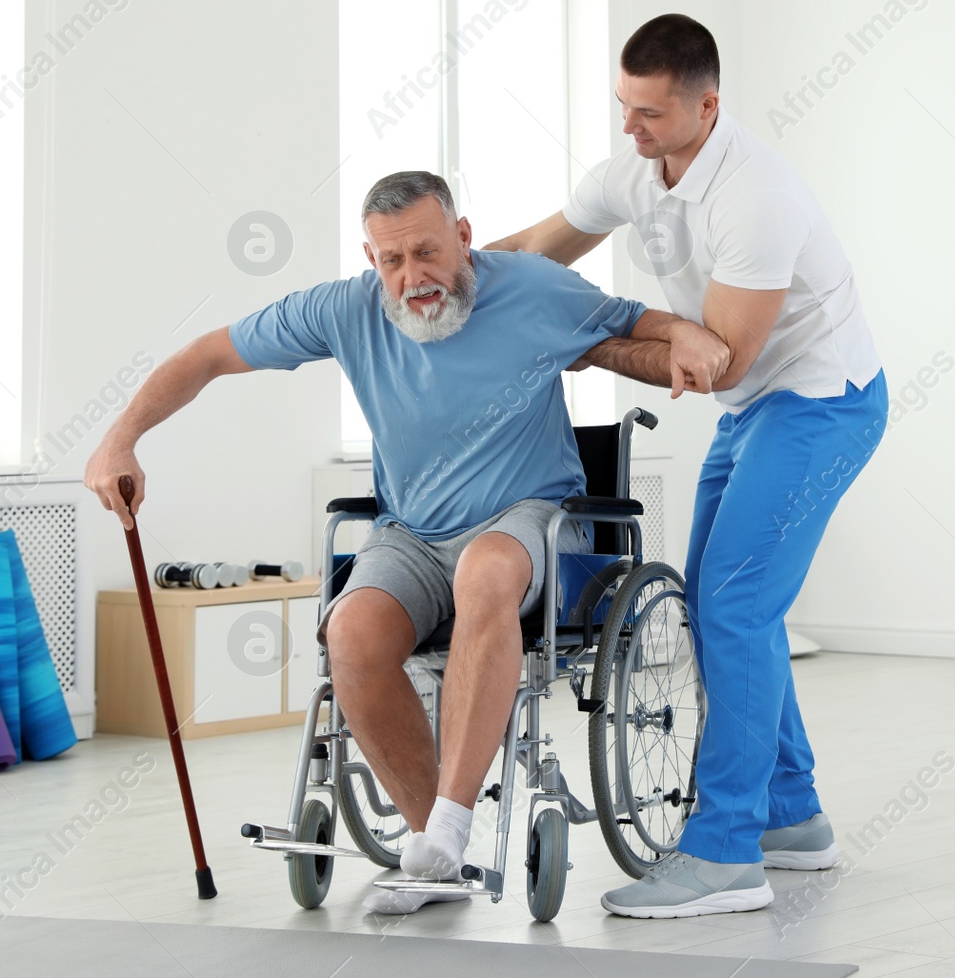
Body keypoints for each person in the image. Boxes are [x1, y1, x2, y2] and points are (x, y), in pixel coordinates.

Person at [84, 170, 730, 914]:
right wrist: (120, 439)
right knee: (351, 631)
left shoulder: (532, 287)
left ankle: (449, 827)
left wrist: (681, 329)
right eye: (391, 261)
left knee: (486, 571)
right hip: (413, 531)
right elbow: (205, 355)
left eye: (426, 252)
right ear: (371, 260)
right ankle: (434, 845)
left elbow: (635, 320)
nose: (412, 277)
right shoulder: (346, 310)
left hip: (527, 516)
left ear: (463, 236)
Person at [488, 13, 888, 919]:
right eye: (624, 108)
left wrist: (585, 342)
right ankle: (794, 818)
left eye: (653, 115)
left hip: (823, 403)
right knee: (720, 609)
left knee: (738, 603)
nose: (632, 129)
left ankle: (726, 853)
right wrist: (454, 272)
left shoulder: (759, 197)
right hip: (759, 410)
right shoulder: (631, 170)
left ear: (709, 106)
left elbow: (719, 363)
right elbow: (539, 248)